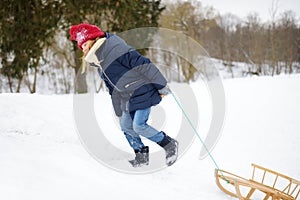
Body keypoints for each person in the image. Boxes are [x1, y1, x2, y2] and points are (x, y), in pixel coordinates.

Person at [70, 23, 178, 167]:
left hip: (142, 91)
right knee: (126, 125)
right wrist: (118, 110)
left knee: (139, 126)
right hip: (127, 99)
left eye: (84, 44)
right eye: (81, 47)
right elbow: (112, 89)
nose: (83, 49)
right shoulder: (99, 62)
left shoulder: (115, 48)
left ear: (92, 39)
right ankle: (141, 155)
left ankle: (169, 144)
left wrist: (161, 85)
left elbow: (143, 64)